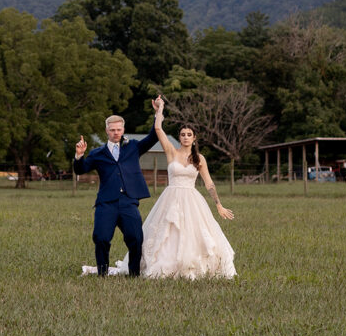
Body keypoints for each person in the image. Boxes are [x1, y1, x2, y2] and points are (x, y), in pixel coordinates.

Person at [83, 96, 237, 279]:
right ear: (179, 137)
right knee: (165, 234)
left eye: (189, 135)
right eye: (183, 134)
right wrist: (160, 109)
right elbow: (157, 129)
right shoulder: (172, 152)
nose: (186, 137)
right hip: (171, 198)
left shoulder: (199, 159)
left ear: (194, 138)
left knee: (196, 234)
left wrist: (218, 204)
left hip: (193, 200)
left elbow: (209, 183)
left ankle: (192, 266)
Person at [74, 107, 158, 276]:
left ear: (123, 129)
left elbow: (153, 136)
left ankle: (134, 274)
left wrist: (158, 113)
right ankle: (102, 273)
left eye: (119, 129)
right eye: (112, 130)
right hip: (106, 203)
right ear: (107, 131)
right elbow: (80, 169)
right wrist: (79, 156)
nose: (116, 133)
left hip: (128, 201)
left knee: (135, 239)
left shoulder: (133, 146)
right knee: (101, 238)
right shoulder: (98, 153)